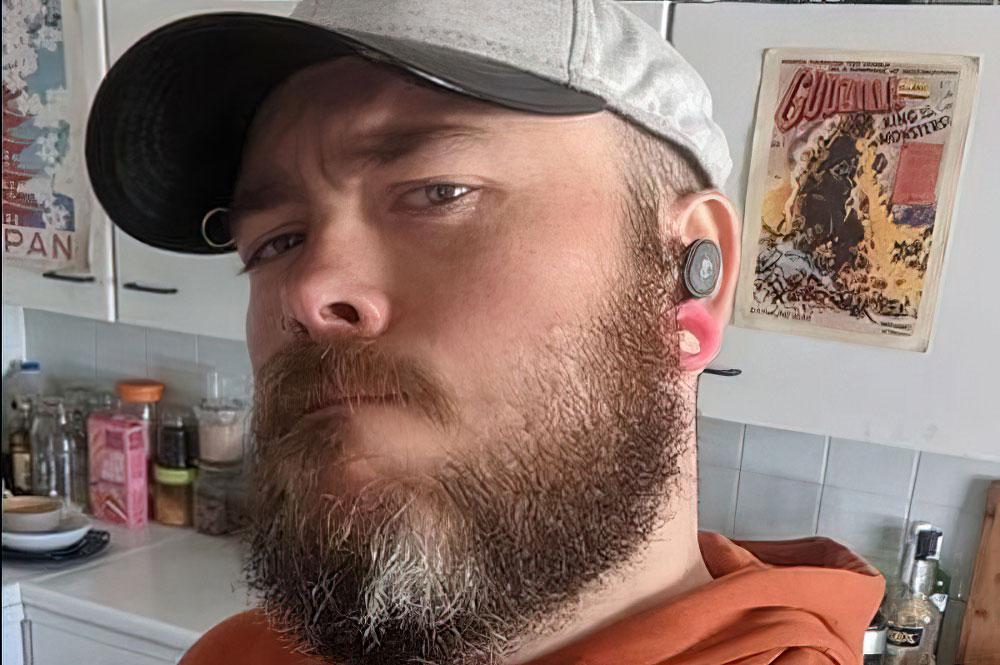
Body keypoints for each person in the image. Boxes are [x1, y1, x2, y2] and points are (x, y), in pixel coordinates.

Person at [85, 1, 884, 663]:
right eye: (276, 241)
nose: (309, 290)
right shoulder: (240, 654)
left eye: (438, 191)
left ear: (685, 285)